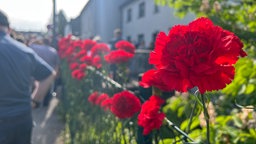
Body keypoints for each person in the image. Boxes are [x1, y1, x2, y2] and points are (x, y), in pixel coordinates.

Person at [0, 10, 56, 144]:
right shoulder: (25, 50)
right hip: (22, 119)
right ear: (9, 28)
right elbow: (49, 75)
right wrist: (35, 101)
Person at [29, 37, 60, 107]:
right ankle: (45, 104)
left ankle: (33, 103)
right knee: (47, 89)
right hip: (48, 73)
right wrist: (56, 74)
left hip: (36, 71)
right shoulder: (53, 51)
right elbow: (57, 64)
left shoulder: (36, 48)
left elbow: (30, 45)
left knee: (34, 87)